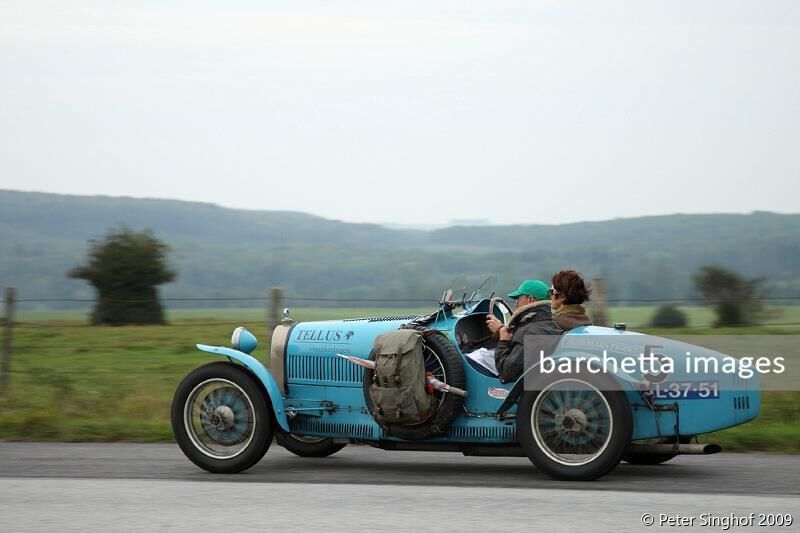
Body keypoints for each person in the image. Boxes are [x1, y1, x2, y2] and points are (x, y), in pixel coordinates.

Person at [485, 279, 561, 383]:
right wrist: (500, 330)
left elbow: (506, 372)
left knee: (476, 357)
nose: (516, 304)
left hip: (520, 385)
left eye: (518, 299)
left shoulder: (529, 331)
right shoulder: (551, 324)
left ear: (530, 299)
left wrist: (503, 341)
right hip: (539, 378)